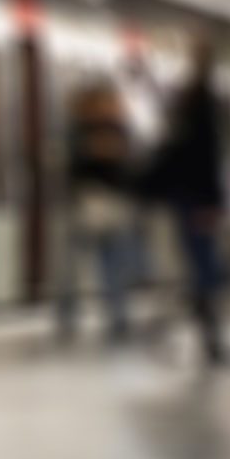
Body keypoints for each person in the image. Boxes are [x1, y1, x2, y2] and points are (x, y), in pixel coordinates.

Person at [143, 45, 230, 367]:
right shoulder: (203, 105)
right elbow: (207, 159)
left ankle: (204, 334)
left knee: (198, 264)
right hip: (197, 200)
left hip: (183, 197)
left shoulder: (186, 105)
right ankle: (210, 338)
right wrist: (214, 200)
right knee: (204, 266)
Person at [55, 79, 139, 344]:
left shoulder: (122, 130)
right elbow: (70, 165)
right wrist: (95, 152)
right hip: (84, 203)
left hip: (116, 204)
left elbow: (131, 166)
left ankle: (118, 316)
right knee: (70, 267)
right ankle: (67, 316)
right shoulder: (76, 130)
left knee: (114, 264)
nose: (110, 107)